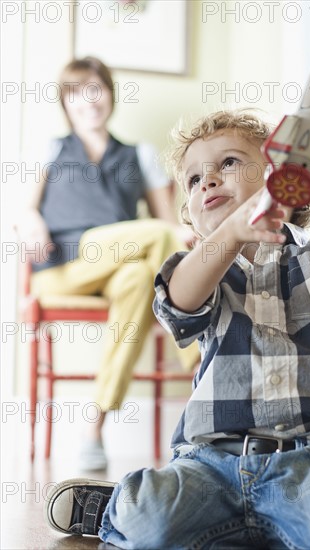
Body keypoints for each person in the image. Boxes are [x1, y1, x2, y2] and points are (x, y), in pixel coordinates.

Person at [44, 93, 310, 548]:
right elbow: (179, 298)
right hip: (209, 467)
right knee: (149, 521)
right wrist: (233, 232)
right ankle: (118, 505)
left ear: (279, 173)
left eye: (229, 163)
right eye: (194, 178)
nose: (208, 181)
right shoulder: (205, 270)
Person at [19, 57, 199, 471]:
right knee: (155, 234)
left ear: (111, 96)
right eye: (78, 91)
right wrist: (29, 222)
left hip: (121, 267)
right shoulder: (51, 148)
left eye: (97, 89)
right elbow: (25, 209)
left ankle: (93, 427)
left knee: (139, 276)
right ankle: (200, 359)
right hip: (63, 266)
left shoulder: (140, 155)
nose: (89, 100)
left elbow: (168, 221)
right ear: (66, 101)